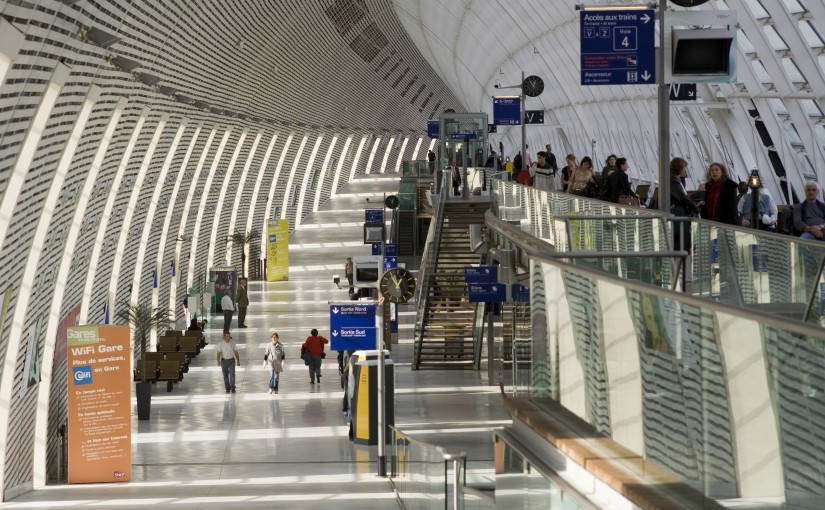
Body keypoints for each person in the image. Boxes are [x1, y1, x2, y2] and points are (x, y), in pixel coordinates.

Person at [669, 157, 700, 251]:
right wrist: (695, 207)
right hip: (677, 215)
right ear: (679, 168)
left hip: (678, 215)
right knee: (680, 241)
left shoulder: (678, 181)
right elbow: (682, 197)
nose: (685, 170)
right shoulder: (672, 182)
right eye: (684, 168)